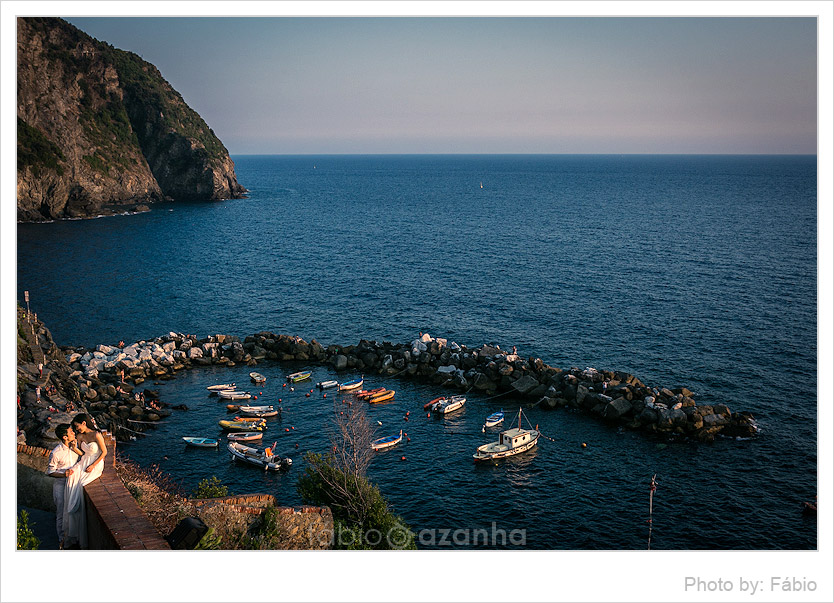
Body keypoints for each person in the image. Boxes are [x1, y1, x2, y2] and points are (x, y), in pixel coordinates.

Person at [63, 413, 107, 549]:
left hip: (95, 463)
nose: (77, 430)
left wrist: (93, 465)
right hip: (84, 461)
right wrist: (74, 446)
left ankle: (78, 509)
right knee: (72, 476)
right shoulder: (80, 436)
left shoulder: (96, 435)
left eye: (77, 427)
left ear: (83, 423)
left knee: (82, 483)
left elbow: (104, 452)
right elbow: (81, 453)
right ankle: (71, 511)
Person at [46, 424, 83, 549]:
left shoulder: (75, 445)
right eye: (71, 432)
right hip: (61, 486)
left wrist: (75, 448)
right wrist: (64, 475)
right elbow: (50, 472)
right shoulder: (56, 453)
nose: (73, 433)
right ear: (65, 437)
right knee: (61, 513)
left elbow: (84, 457)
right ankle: (62, 541)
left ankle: (73, 538)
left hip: (74, 485)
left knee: (73, 512)